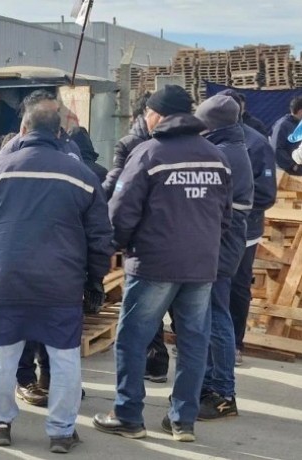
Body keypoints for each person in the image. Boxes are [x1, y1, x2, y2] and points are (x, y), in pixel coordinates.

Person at [0, 96, 112, 453]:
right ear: (62, 132)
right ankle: (61, 432)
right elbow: (100, 237)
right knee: (64, 358)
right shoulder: (81, 175)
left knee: (3, 356)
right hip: (61, 285)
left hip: (8, 280)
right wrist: (95, 280)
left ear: (23, 129)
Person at [93, 85, 232, 443]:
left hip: (154, 263)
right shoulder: (216, 157)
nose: (144, 118)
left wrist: (111, 247)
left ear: (160, 115)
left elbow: (122, 212)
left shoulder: (149, 153)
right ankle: (182, 421)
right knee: (193, 342)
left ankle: (128, 415)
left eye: (148, 112)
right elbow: (226, 216)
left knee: (133, 339)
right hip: (201, 266)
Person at [194, 95, 254, 420]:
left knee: (217, 316)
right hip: (221, 245)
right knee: (208, 316)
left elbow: (215, 210)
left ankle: (223, 393)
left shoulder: (224, 154)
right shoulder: (229, 147)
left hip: (220, 248)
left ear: (211, 124)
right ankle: (208, 385)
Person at [218, 89, 277, 366]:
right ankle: (207, 342)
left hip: (244, 231)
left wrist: (234, 209)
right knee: (206, 286)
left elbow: (266, 194)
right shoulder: (206, 140)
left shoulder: (256, 143)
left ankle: (235, 345)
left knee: (237, 287)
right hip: (210, 230)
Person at [102, 92, 151, 196]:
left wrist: (99, 197)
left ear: (134, 118)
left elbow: (115, 179)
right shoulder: (168, 143)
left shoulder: (126, 143)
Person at [269, 96, 302, 175]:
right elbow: (276, 149)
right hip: (288, 174)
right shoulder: (282, 125)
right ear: (300, 111)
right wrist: (293, 166)